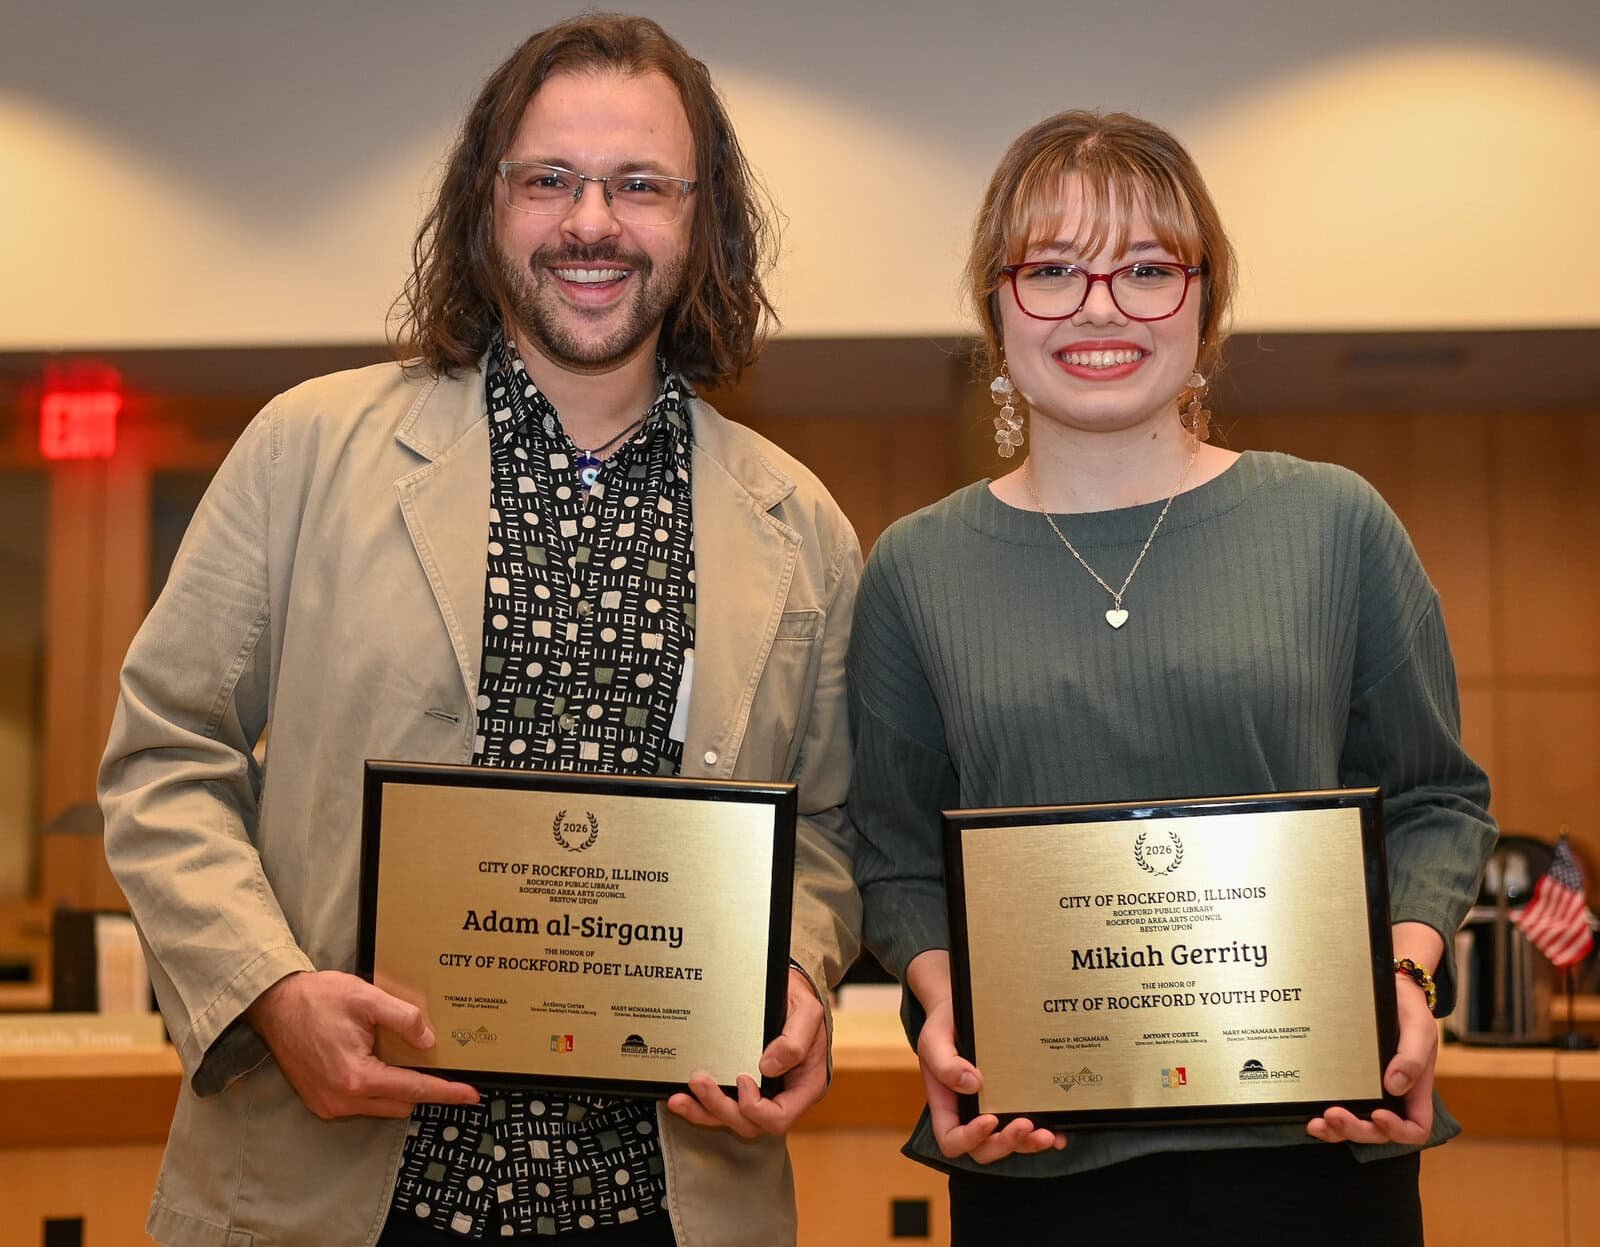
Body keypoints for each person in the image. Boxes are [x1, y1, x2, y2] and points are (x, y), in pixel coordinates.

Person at [98, 14, 861, 1247]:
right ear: (484, 204)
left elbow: (827, 823)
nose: (592, 223)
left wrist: (799, 972)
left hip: (660, 1201)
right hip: (345, 1186)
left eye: (640, 185)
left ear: (701, 218)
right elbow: (164, 755)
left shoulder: (801, 526)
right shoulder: (306, 450)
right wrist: (270, 991)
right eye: (547, 179)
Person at [847, 109, 1496, 1245]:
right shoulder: (915, 565)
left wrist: (1404, 972)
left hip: (1317, 1144)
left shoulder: (1333, 522)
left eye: (1146, 268)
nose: (1100, 306)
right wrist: (945, 1000)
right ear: (995, 306)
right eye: (1052, 269)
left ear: (1206, 301)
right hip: (1036, 1159)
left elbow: (1436, 797)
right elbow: (896, 851)